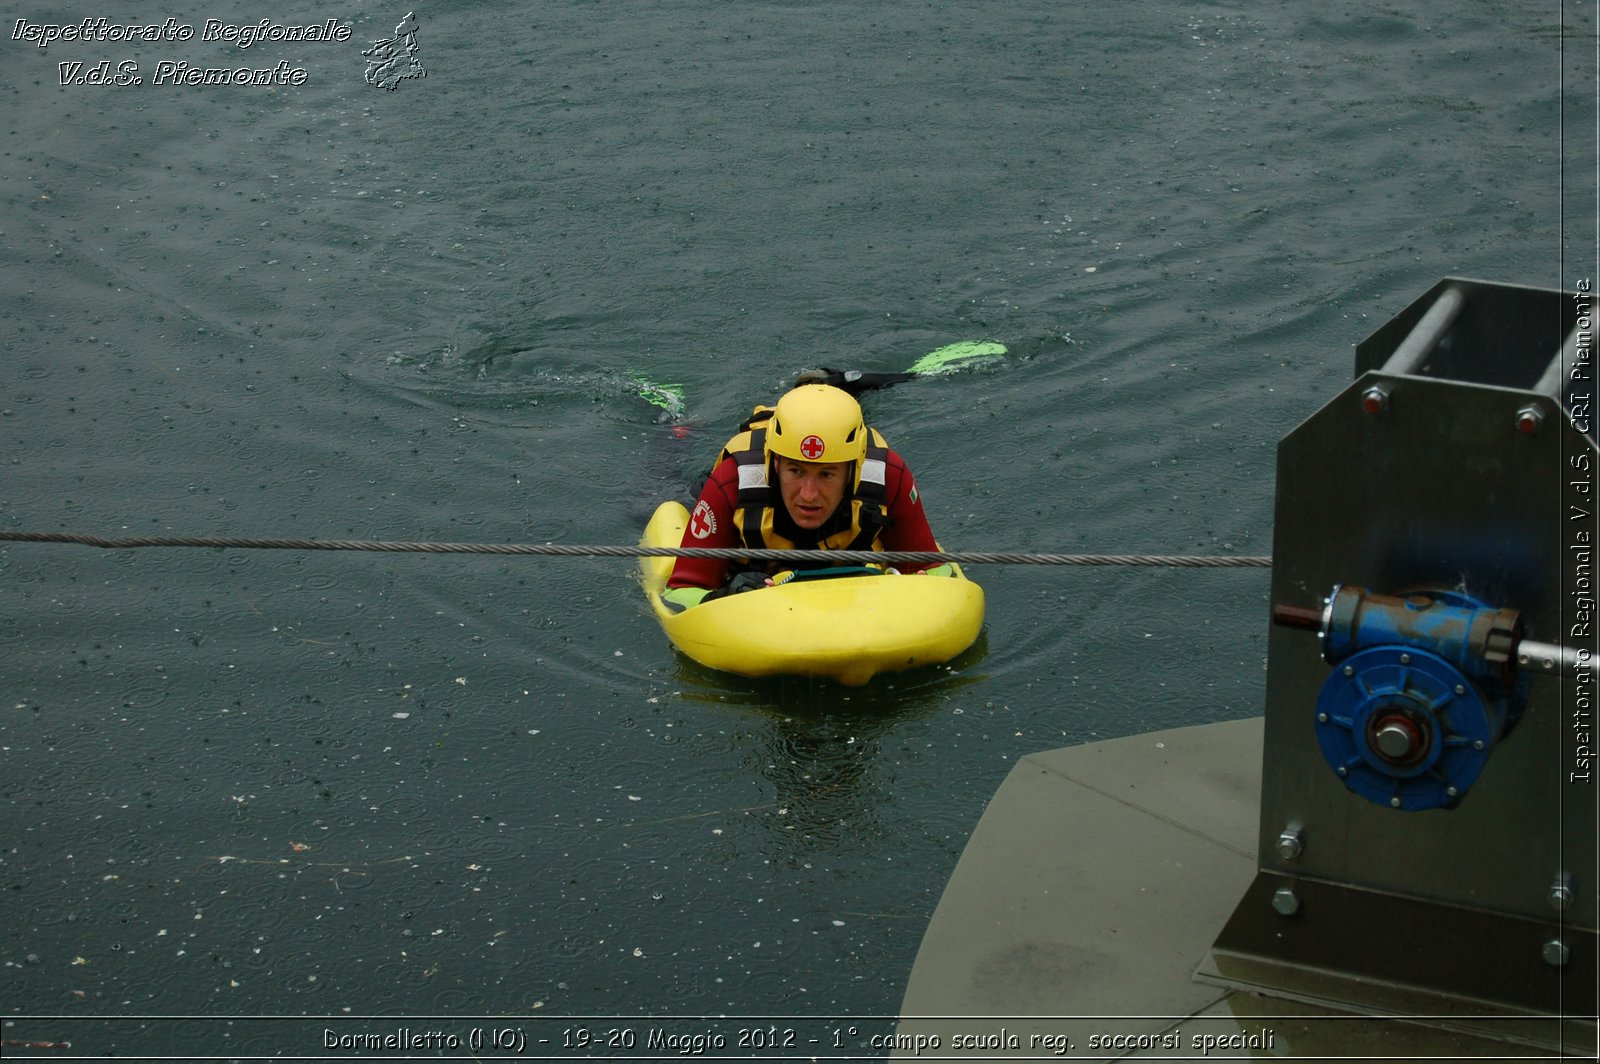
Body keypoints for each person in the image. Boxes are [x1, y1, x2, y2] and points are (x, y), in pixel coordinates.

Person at [661, 382, 953, 610]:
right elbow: (680, 593)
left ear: (854, 469)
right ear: (776, 463)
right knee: (651, 500)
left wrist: (920, 586)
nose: (809, 495)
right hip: (719, 514)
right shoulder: (733, 480)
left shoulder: (888, 475)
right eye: (796, 472)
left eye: (826, 474)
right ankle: (676, 429)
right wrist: (721, 595)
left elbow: (934, 570)